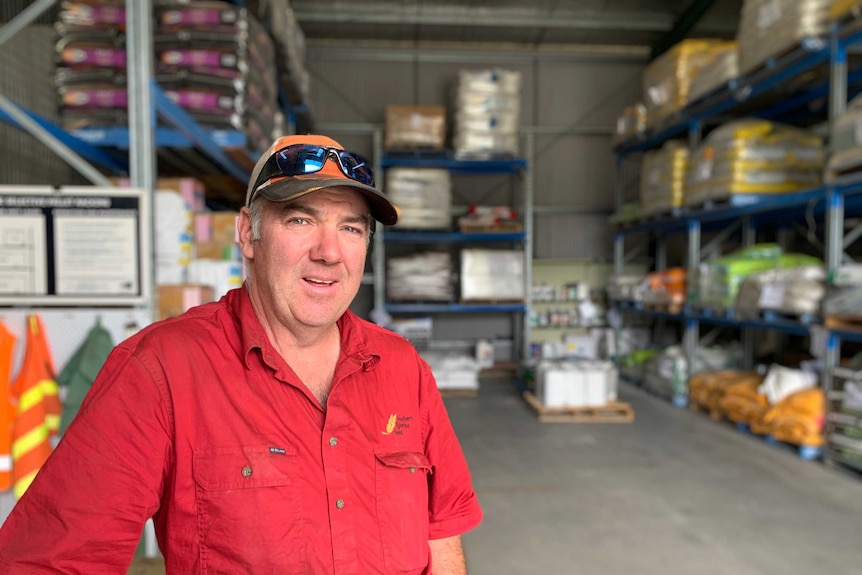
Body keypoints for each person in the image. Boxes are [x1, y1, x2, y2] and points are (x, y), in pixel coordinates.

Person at [0, 134, 483, 574]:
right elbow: (53, 560)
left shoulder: (403, 368)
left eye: (352, 229)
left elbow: (441, 530)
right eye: (301, 220)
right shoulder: (161, 369)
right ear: (248, 233)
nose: (330, 252)